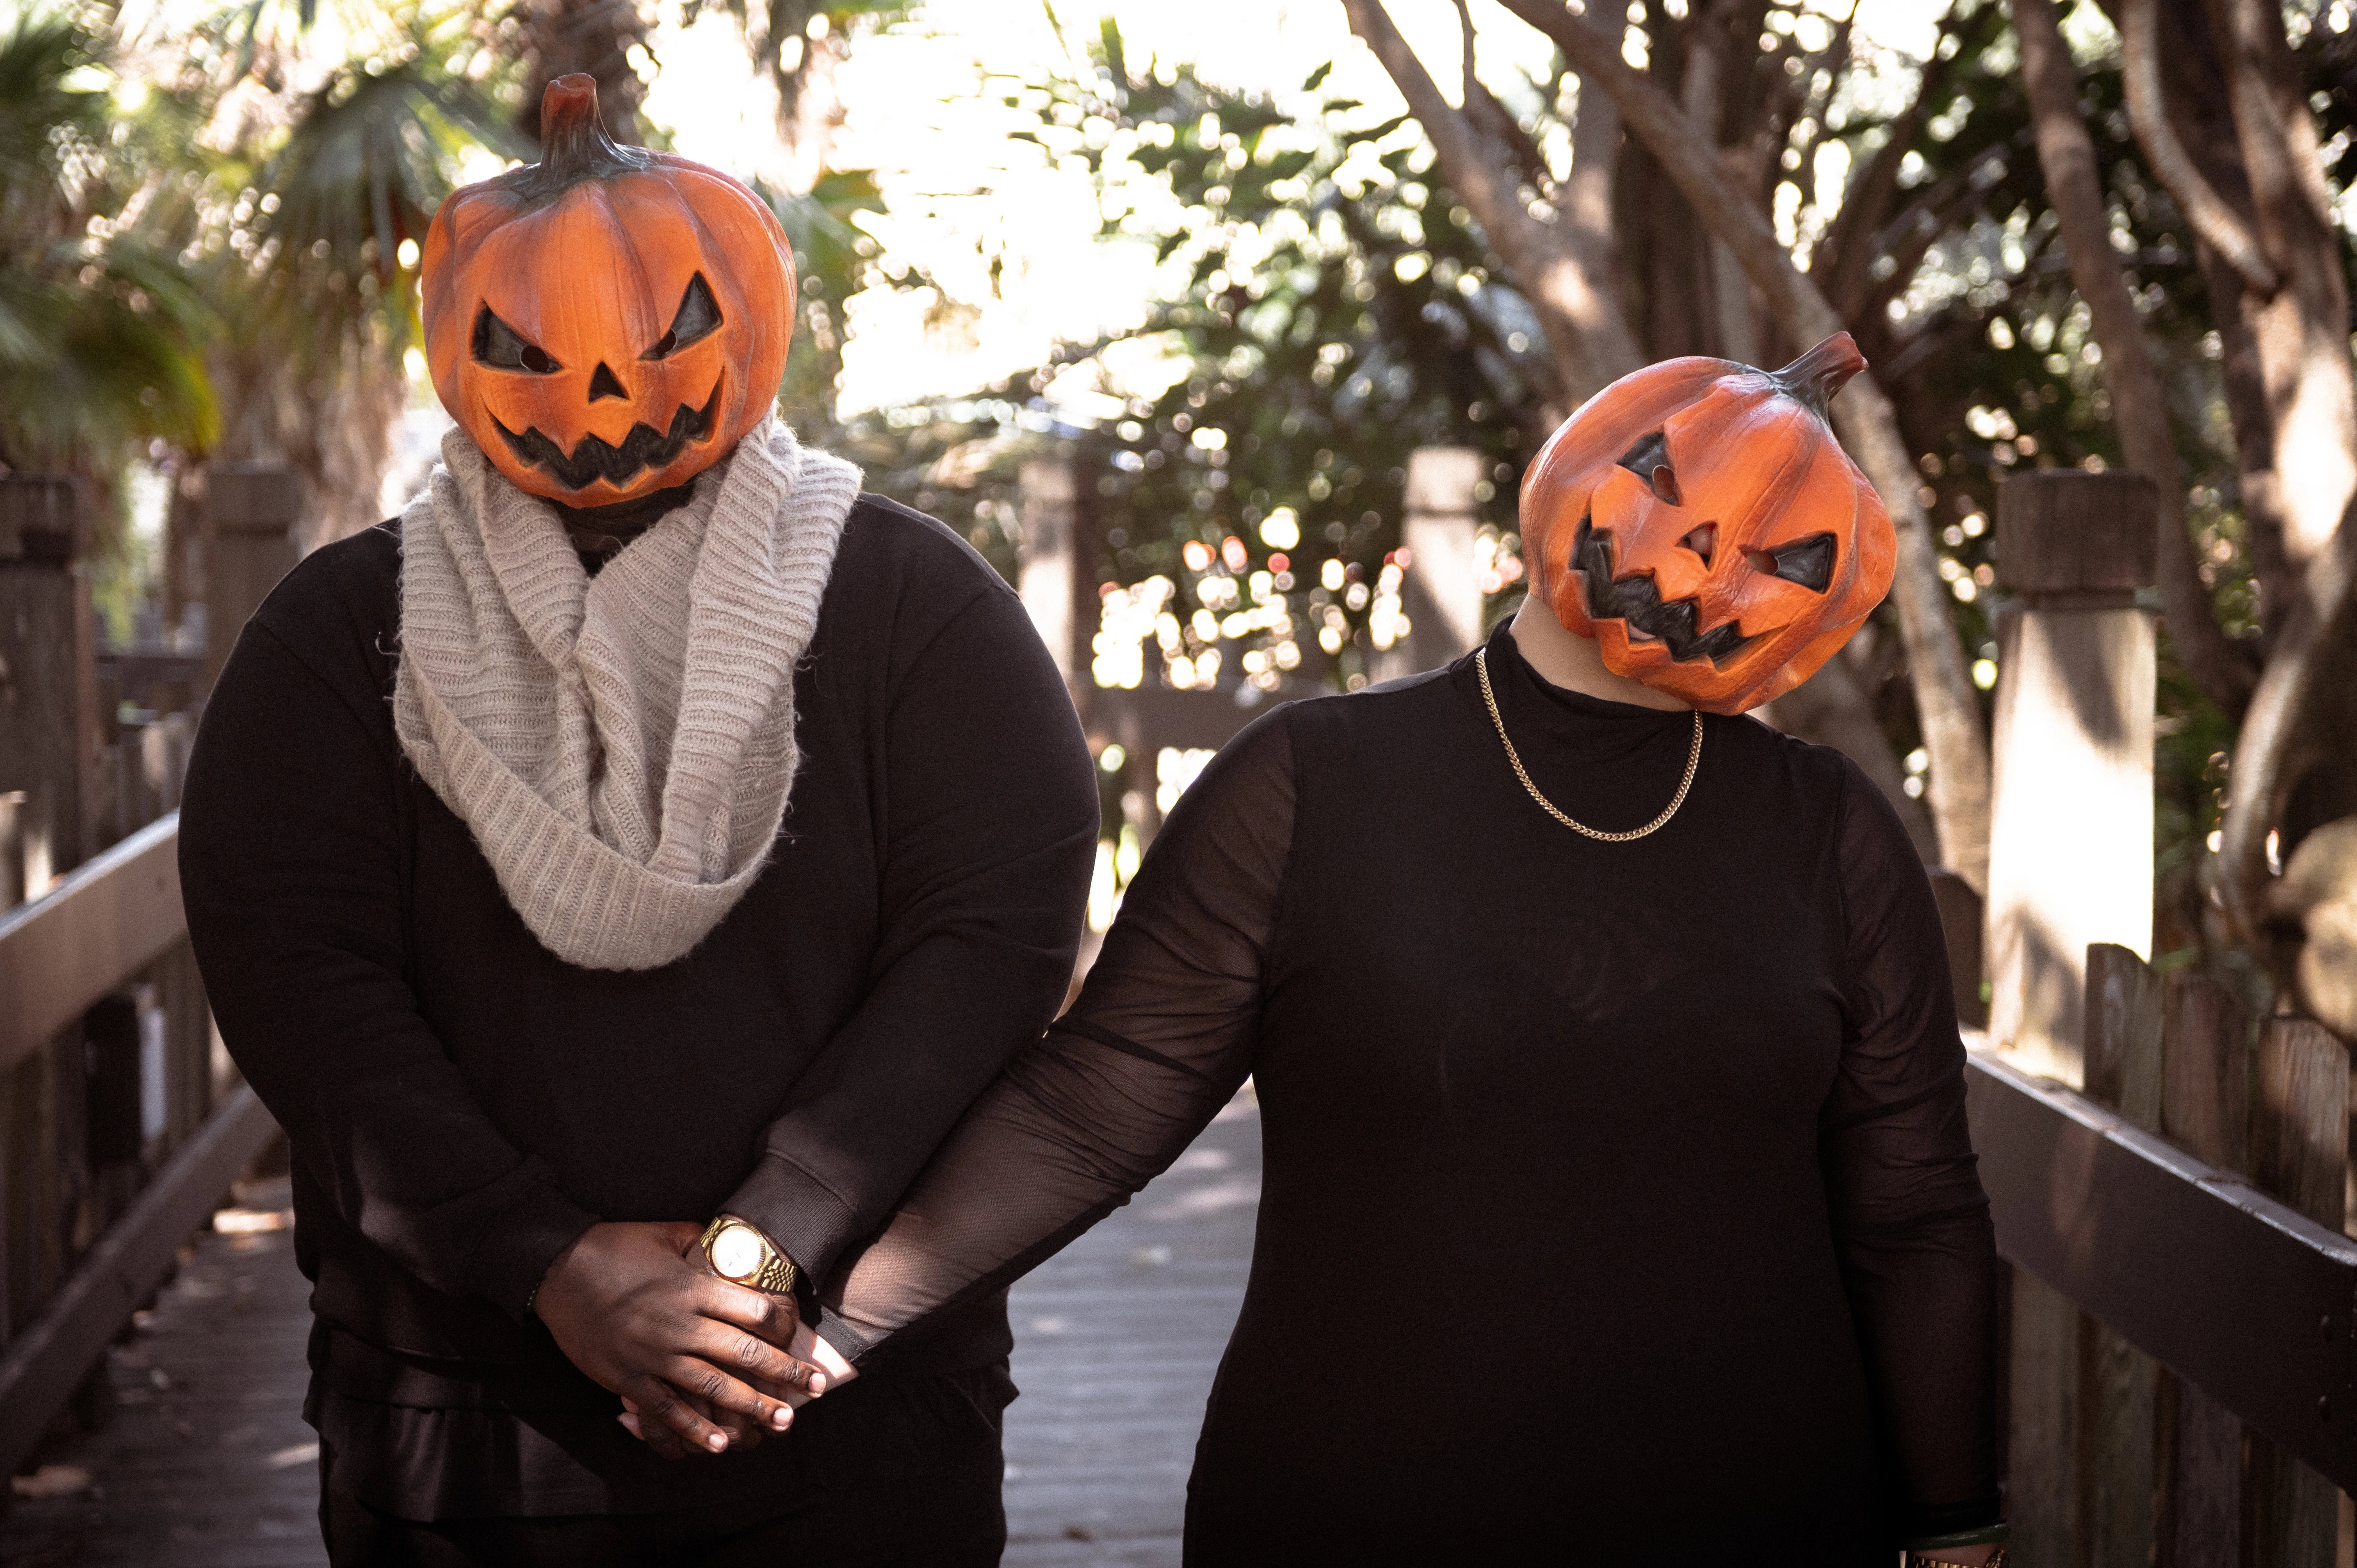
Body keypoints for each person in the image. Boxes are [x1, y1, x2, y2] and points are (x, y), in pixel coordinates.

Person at [792, 337, 2010, 1566]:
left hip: (1758, 1513)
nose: (1699, 561)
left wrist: (1959, 1535)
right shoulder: (1311, 785)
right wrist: (833, 1323)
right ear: (1578, 468)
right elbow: (1094, 1109)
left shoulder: (1834, 833)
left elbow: (1913, 1210)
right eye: (1670, 491)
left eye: (1778, 553)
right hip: (1358, 1504)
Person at [178, 75, 1097, 1565]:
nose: (603, 394)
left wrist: (768, 1247)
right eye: (529, 349)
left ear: (749, 318)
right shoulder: (337, 638)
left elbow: (991, 942)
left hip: (845, 1402)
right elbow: (296, 975)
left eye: (666, 335)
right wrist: (543, 1264)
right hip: (463, 1433)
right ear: (455, 342)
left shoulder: (918, 612)